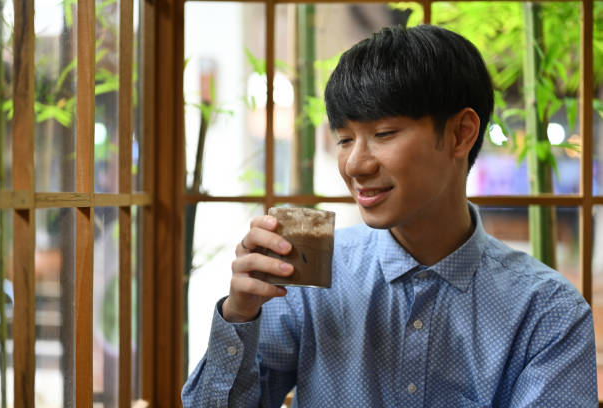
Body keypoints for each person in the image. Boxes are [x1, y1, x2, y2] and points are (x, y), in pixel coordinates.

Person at [182, 24, 597, 407]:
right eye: (345, 139)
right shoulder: (311, 280)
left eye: (383, 134)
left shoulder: (546, 311)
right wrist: (240, 314)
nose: (356, 165)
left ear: (460, 134)